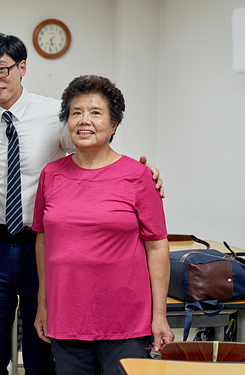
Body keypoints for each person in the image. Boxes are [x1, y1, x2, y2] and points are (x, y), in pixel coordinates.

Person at [0, 33, 164, 375]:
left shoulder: (53, 114)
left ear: (21, 67)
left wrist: (144, 173)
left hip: (42, 246)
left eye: (2, 70)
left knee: (41, 347)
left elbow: (92, 152)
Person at [33, 75, 174, 375]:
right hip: (66, 319)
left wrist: (159, 315)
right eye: (76, 112)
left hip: (127, 323)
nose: (85, 120)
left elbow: (158, 246)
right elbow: (43, 241)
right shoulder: (51, 174)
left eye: (96, 113)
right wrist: (42, 304)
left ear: (114, 125)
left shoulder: (138, 176)